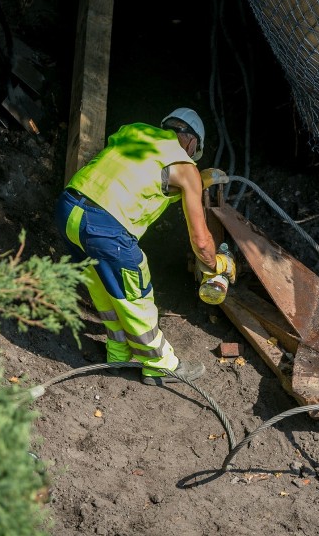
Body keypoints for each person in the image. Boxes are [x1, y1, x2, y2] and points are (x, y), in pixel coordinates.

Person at [54, 108, 233, 385]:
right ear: (192, 144)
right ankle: (161, 365)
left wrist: (198, 181)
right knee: (135, 293)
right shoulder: (187, 168)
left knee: (103, 286)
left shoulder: (134, 129)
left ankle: (117, 351)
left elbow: (145, 182)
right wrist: (218, 265)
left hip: (69, 210)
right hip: (105, 225)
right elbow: (201, 242)